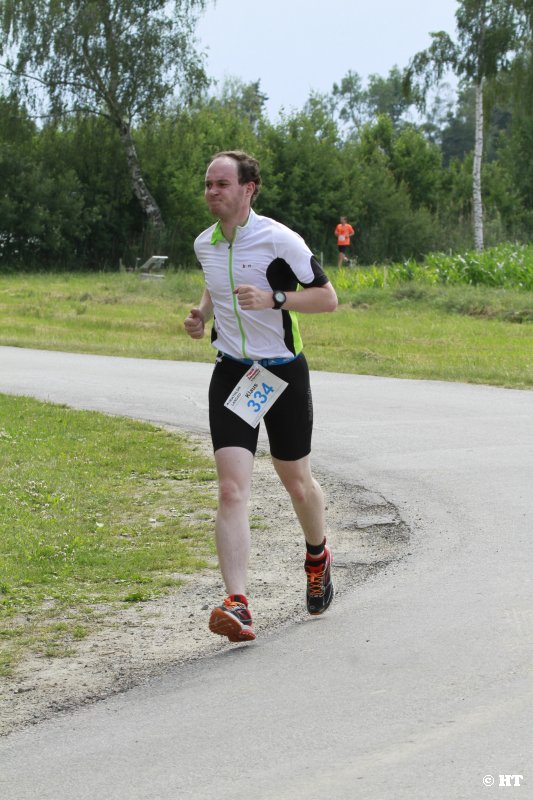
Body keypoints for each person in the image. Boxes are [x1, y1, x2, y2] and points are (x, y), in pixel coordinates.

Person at [184, 150, 338, 643]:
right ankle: (238, 602)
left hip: (283, 373)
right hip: (233, 372)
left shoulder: (279, 239)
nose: (212, 192)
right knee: (231, 489)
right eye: (208, 184)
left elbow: (328, 298)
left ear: (248, 188)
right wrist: (202, 315)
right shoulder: (205, 243)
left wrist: (275, 299)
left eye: (221, 184)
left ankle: (317, 555)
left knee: (297, 482)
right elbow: (215, 283)